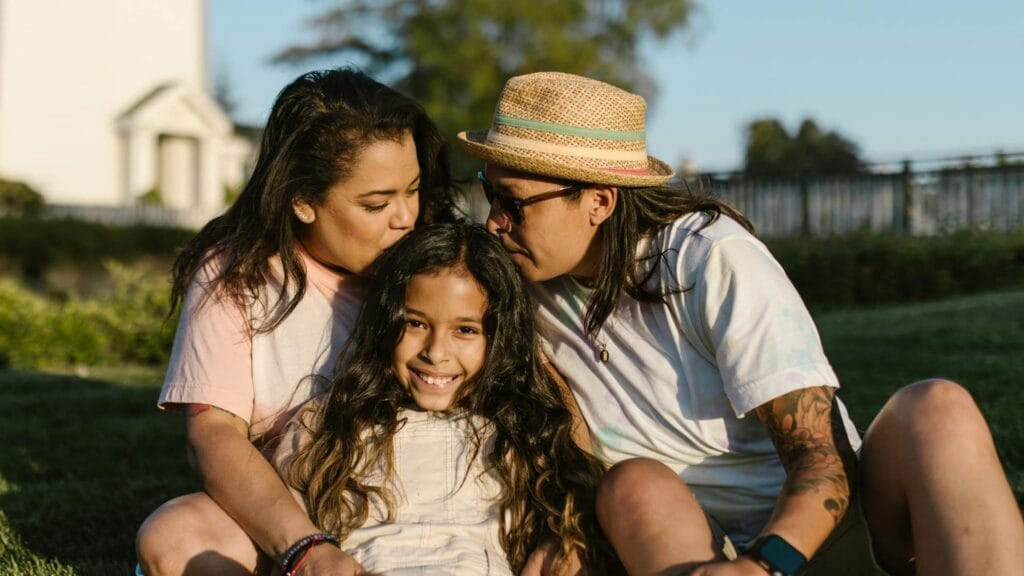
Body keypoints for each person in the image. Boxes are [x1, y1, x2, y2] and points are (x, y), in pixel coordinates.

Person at [457, 71, 1024, 575]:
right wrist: (571, 532)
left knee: (936, 408)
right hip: (693, 550)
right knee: (634, 484)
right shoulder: (521, 287)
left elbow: (823, 462)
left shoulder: (708, 258)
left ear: (600, 202)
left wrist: (764, 565)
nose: (494, 222)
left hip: (825, 533)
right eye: (488, 193)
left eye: (513, 202)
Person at [135, 67, 459, 576]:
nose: (405, 218)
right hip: (298, 508)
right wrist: (306, 549)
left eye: (413, 191)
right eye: (376, 203)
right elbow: (215, 432)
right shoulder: (236, 272)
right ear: (302, 200)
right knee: (176, 539)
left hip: (439, 503)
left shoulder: (446, 264)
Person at [270, 222, 613, 575]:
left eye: (465, 330)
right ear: (387, 321)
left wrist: (567, 540)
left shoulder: (523, 433)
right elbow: (289, 535)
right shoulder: (331, 425)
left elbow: (578, 510)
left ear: (499, 338)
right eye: (415, 323)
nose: (435, 353)